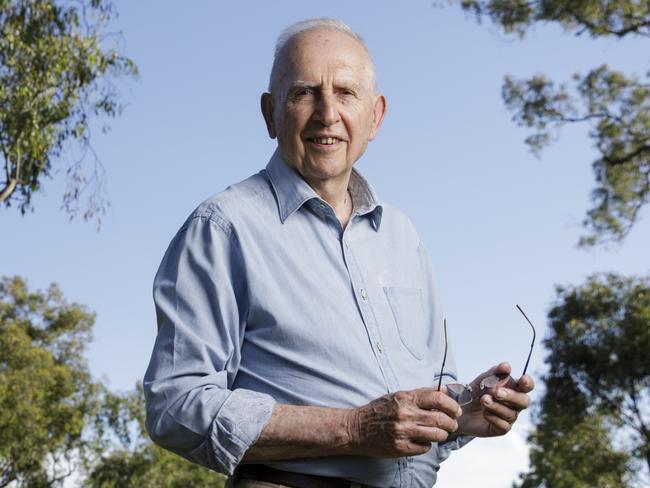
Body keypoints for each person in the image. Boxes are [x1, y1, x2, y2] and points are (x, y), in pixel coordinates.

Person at [144, 18, 534, 488]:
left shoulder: (403, 236)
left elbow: (420, 412)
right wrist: (354, 428)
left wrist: (467, 411)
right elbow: (174, 405)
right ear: (271, 114)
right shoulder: (224, 227)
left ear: (376, 116)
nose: (327, 113)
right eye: (304, 92)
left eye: (346, 93)